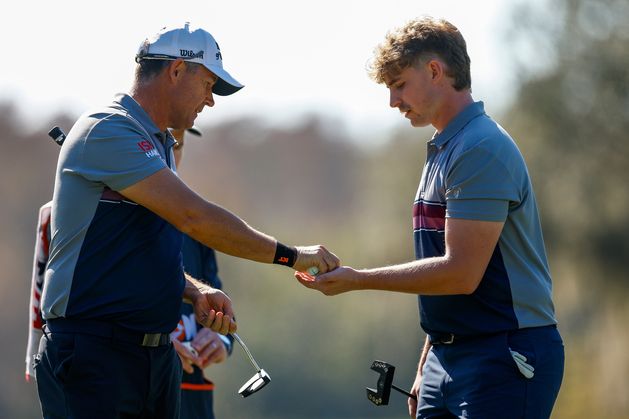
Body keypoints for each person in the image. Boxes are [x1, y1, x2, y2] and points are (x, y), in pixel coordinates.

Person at [36, 22, 339, 419]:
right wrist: (291, 256)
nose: (211, 101)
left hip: (152, 359)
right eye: (209, 85)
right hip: (96, 354)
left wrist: (195, 293)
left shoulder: (157, 143)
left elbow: (130, 254)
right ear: (177, 71)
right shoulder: (107, 129)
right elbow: (195, 217)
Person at [296, 17, 564, 418]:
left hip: (506, 354)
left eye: (399, 84)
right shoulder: (445, 148)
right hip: (450, 355)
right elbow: (445, 279)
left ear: (435, 71)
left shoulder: (480, 147)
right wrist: (429, 361)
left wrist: (359, 279)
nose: (393, 101)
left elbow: (460, 274)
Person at [25, 128, 233, 419]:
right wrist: (148, 341)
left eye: (177, 146)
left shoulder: (195, 221)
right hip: (116, 378)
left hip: (188, 392)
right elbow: (51, 304)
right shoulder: (71, 213)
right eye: (154, 147)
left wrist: (220, 340)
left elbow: (215, 295)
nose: (166, 158)